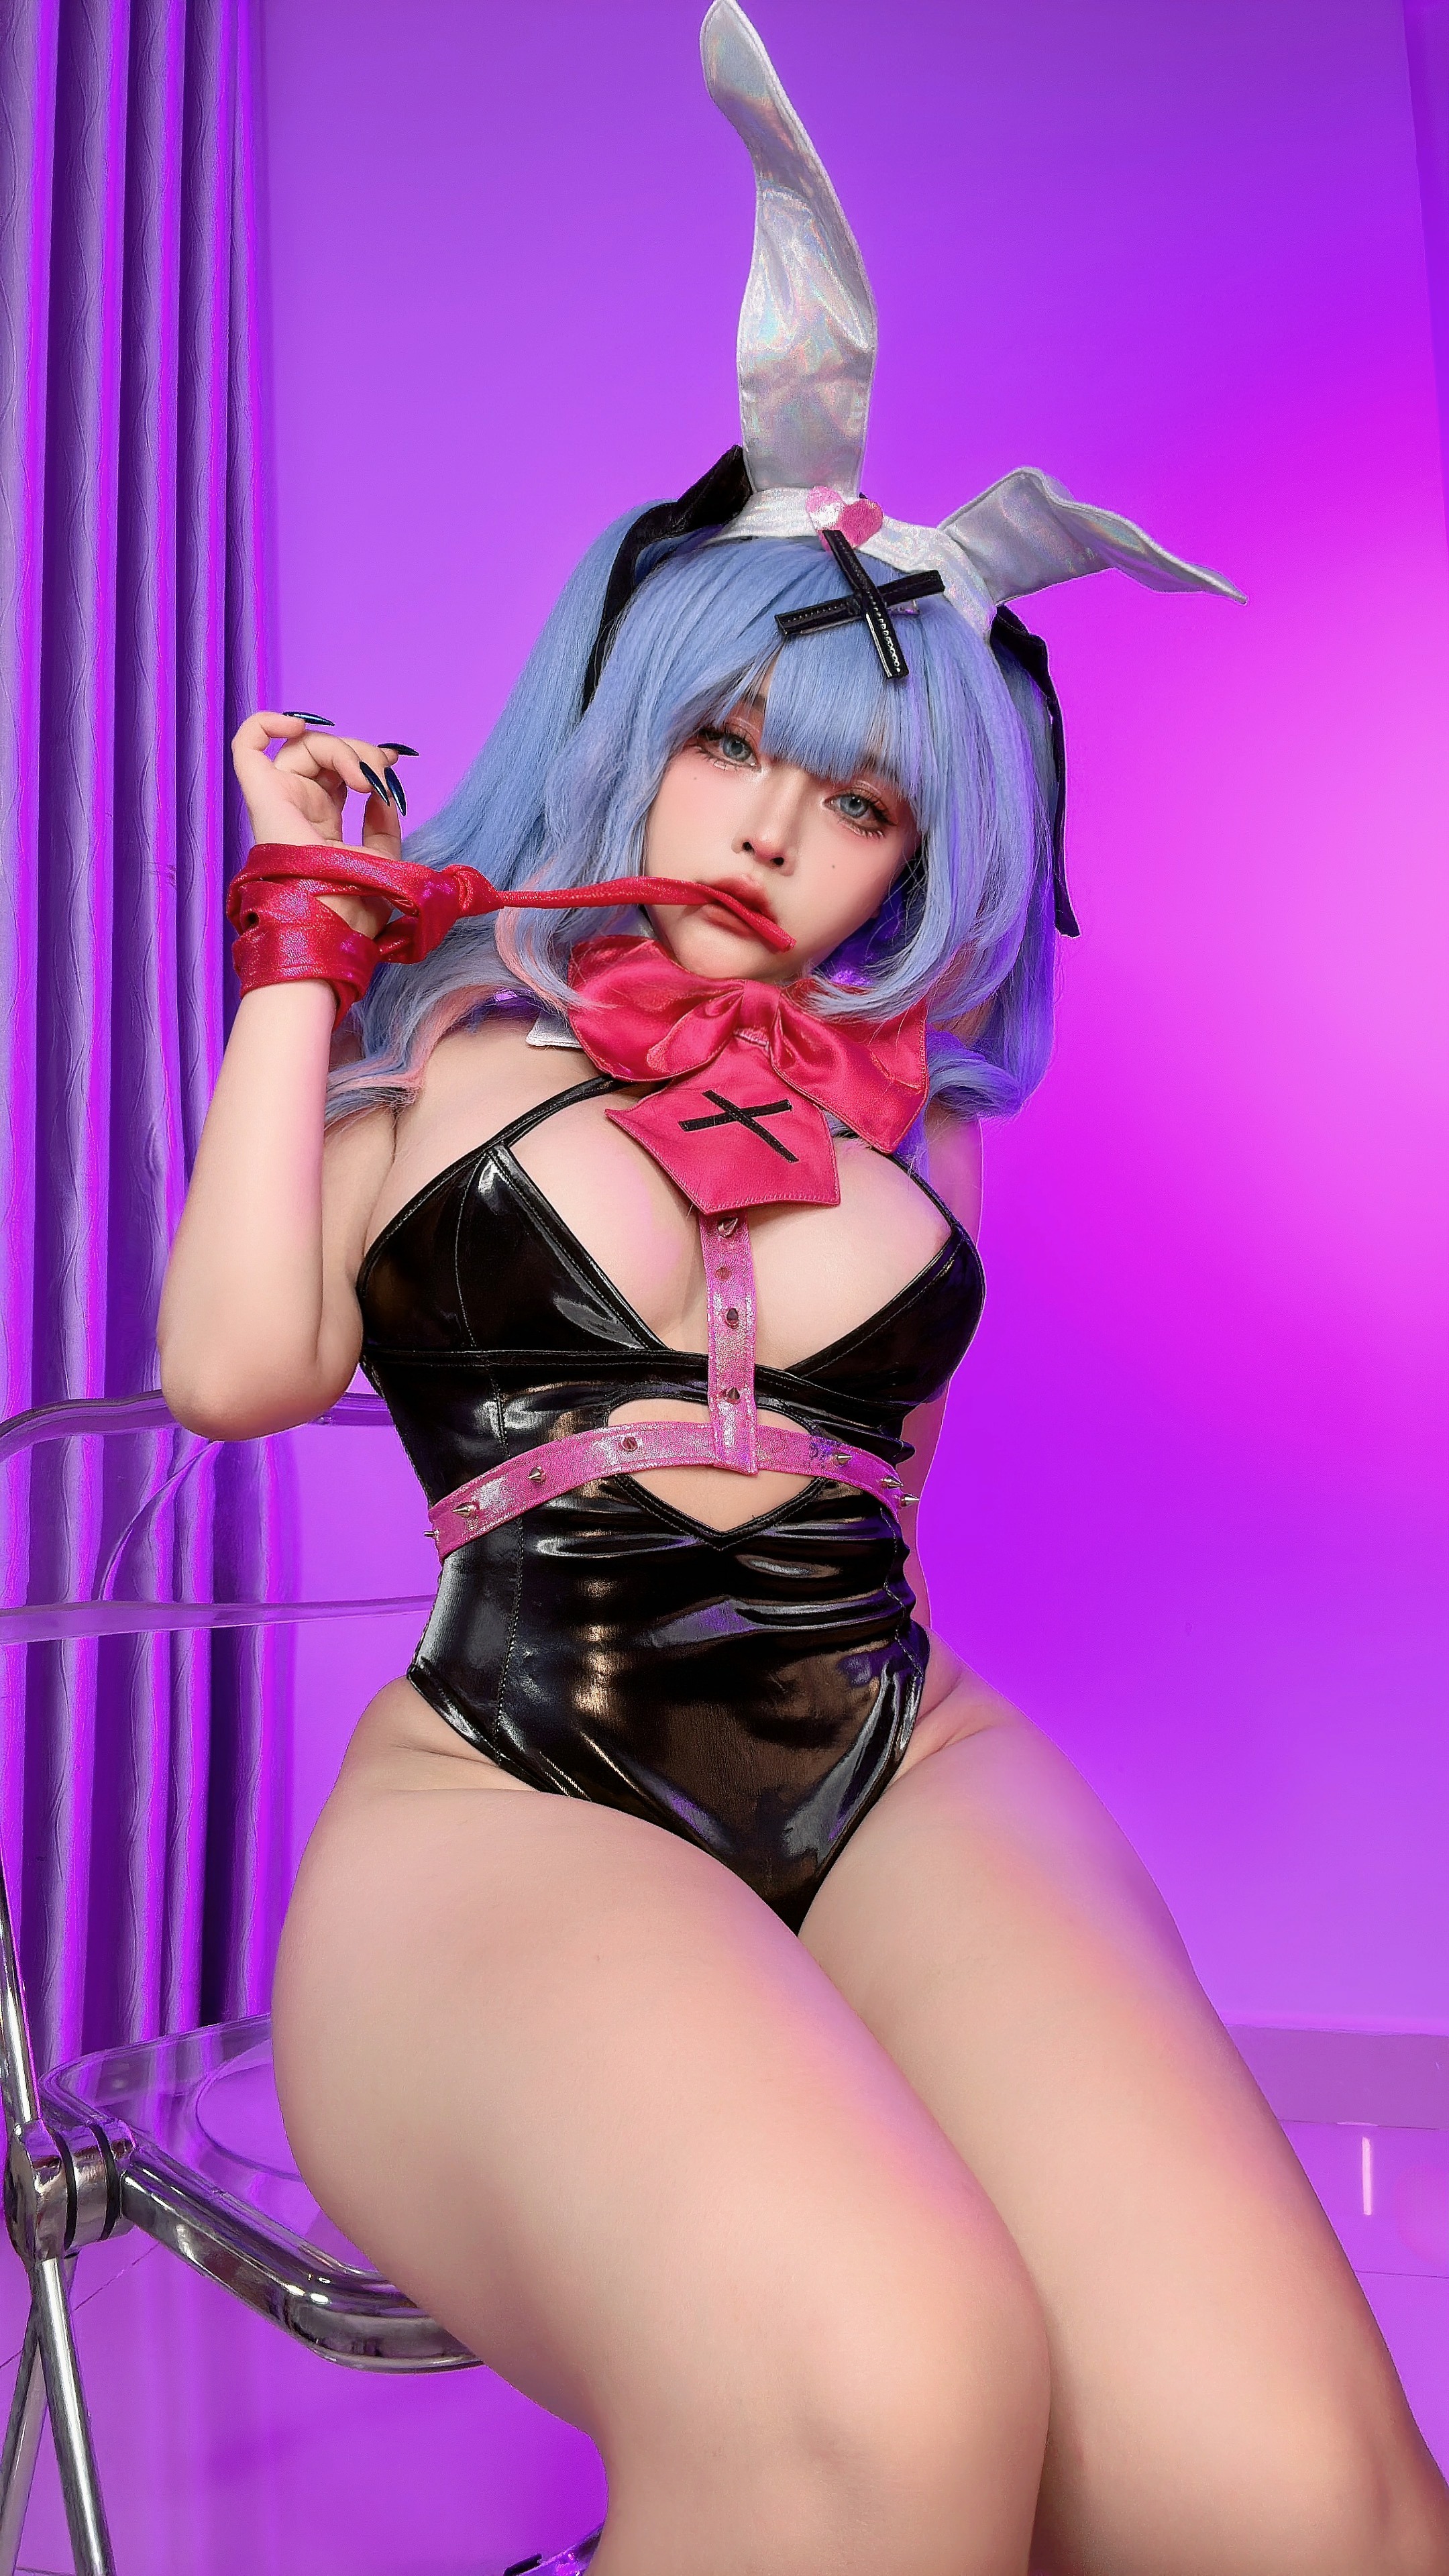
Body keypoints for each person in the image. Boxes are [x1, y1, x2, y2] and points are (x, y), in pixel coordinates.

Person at [157, 8, 1449, 2571]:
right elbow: (233, 1372)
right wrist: (298, 940)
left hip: (898, 1762)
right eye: (729, 742)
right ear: (635, 723)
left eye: (859, 795)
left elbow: (872, 1481)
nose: (772, 829)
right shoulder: (443, 1061)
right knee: (886, 2391)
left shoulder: (920, 1125)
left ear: (921, 848)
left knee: (1301, 2497)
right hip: (514, 1786)